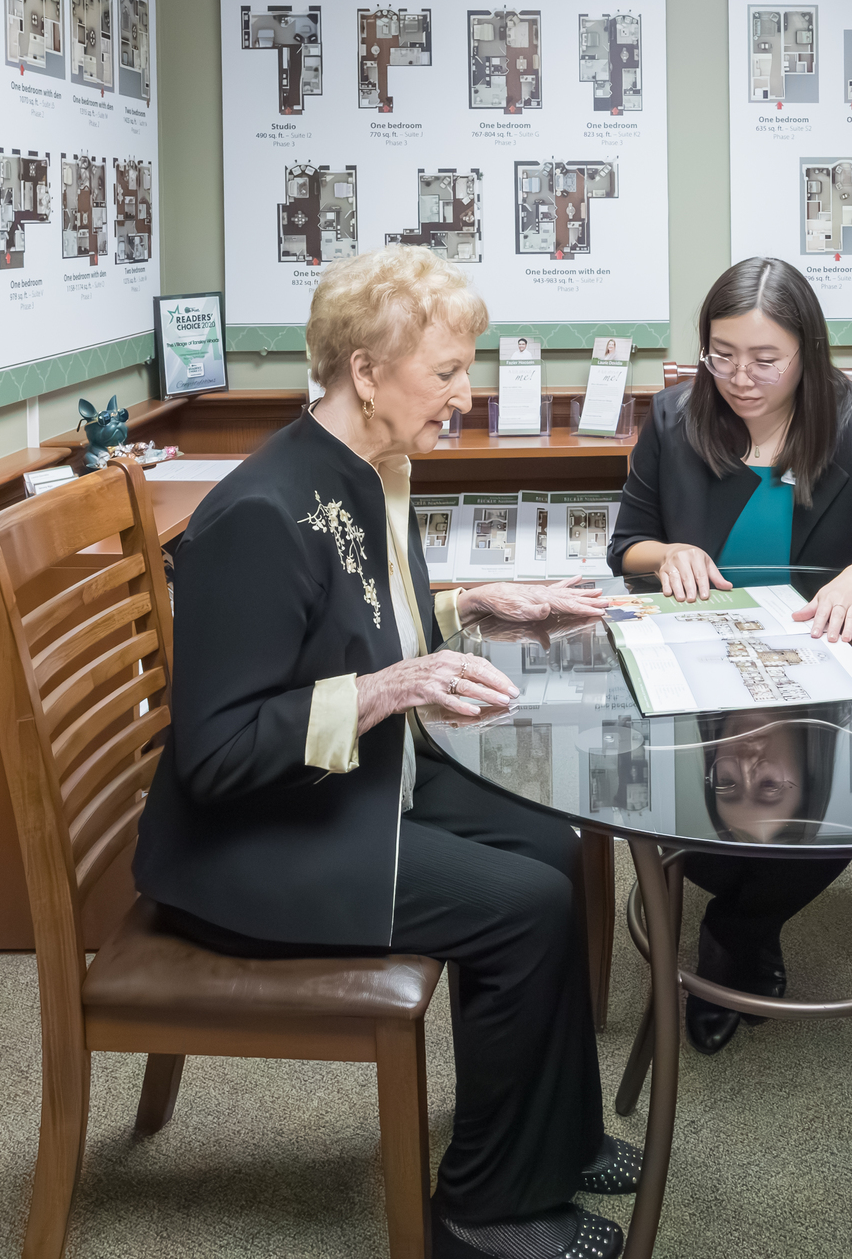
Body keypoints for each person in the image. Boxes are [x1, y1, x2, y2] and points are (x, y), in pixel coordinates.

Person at [134, 245, 639, 1259]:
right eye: (447, 371)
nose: (467, 393)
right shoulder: (256, 514)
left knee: (556, 843)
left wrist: (464, 603)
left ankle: (552, 1135)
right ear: (365, 372)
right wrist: (381, 690)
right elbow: (218, 752)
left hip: (337, 788)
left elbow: (357, 617)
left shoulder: (363, 467)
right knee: (524, 908)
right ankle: (480, 1213)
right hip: (251, 841)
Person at [607, 256, 852, 1053]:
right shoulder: (672, 417)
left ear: (807, 351)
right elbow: (624, 546)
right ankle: (743, 913)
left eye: (766, 359)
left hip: (820, 662)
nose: (740, 377)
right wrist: (665, 555)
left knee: (823, 808)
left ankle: (735, 930)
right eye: (721, 354)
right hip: (701, 660)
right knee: (707, 801)